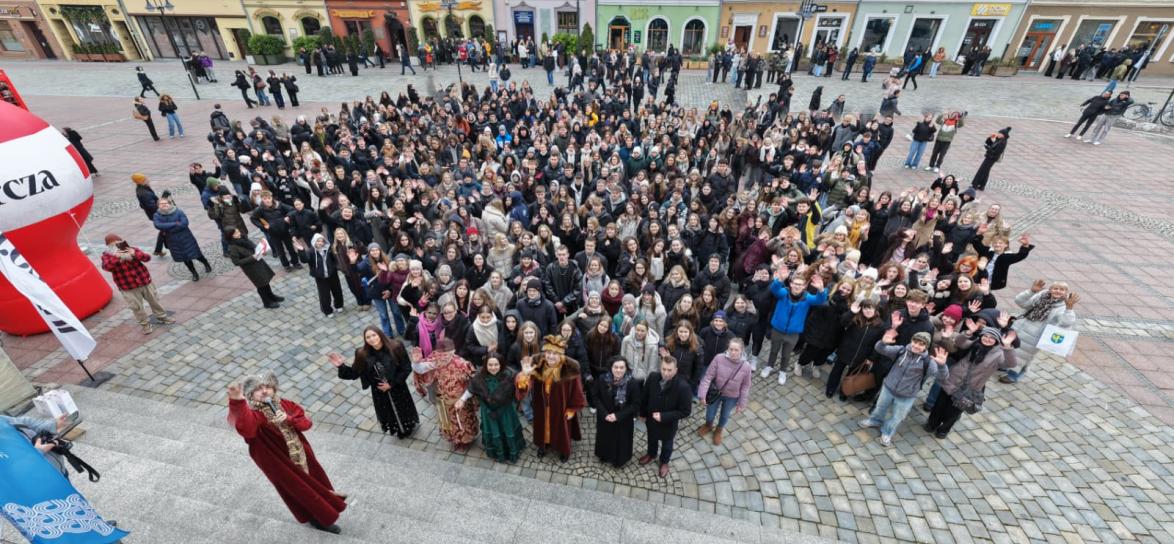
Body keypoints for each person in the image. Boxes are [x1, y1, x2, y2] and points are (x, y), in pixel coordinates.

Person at [227, 372, 347, 534]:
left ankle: (325, 507)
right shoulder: (252, 413)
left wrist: (289, 419)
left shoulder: (285, 404)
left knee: (315, 481)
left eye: (268, 387)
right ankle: (319, 518)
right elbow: (247, 429)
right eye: (258, 389)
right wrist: (238, 402)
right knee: (299, 489)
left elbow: (306, 424)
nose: (264, 391)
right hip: (276, 460)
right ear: (250, 394)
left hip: (301, 453)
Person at [858, 331, 948, 446]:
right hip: (888, 387)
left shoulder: (928, 362)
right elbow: (880, 349)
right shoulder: (901, 350)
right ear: (911, 341)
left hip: (907, 395)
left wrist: (942, 365)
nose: (917, 346)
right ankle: (875, 420)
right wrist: (882, 342)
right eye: (915, 342)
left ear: (926, 346)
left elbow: (942, 378)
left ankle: (887, 432)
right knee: (880, 407)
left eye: (921, 344)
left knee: (897, 417)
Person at [926, 326, 1017, 438]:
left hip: (969, 388)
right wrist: (968, 332)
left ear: (997, 341)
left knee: (954, 412)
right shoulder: (974, 344)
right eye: (985, 336)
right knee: (939, 405)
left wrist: (1007, 346)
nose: (987, 339)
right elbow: (960, 342)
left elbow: (1011, 364)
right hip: (952, 380)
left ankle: (943, 430)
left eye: (991, 338)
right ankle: (931, 424)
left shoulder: (999, 354)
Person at [329, 327, 419, 438]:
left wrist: (391, 384)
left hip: (398, 386)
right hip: (379, 391)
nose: (372, 339)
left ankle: (407, 427)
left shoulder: (396, 347)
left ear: (380, 334)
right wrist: (341, 366)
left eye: (374, 335)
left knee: (403, 407)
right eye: (368, 337)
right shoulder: (362, 354)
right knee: (388, 411)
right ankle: (398, 428)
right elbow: (354, 373)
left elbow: (405, 368)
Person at [515, 335, 587, 462]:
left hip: (561, 407)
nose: (551, 356)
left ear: (561, 354)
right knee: (543, 426)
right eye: (548, 352)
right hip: (541, 406)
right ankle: (544, 445)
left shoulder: (569, 370)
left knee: (561, 429)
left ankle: (563, 449)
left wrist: (572, 409)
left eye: (555, 353)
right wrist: (525, 374)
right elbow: (524, 386)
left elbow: (577, 391)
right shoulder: (537, 365)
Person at [1001, 279, 1079, 384]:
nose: (1058, 291)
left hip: (1035, 336)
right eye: (1055, 288)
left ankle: (1013, 375)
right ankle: (1004, 365)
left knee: (1024, 356)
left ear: (1066, 292)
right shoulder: (1041, 295)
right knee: (1009, 348)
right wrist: (1031, 291)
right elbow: (1020, 302)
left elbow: (1066, 322)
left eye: (1062, 289)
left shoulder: (1063, 307)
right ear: (1050, 289)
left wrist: (1069, 308)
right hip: (1019, 328)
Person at [761, 266, 828, 385]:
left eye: (800, 284)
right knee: (774, 350)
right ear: (791, 284)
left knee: (786, 355)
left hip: (793, 333)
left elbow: (820, 300)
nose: (797, 286)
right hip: (778, 329)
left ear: (804, 286)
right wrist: (780, 280)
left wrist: (821, 290)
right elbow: (774, 289)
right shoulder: (784, 293)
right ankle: (769, 366)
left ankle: (783, 371)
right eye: (795, 284)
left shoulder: (807, 298)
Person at [100, 233, 176, 334]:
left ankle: (162, 317)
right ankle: (145, 324)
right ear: (108, 246)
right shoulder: (107, 256)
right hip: (127, 287)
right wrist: (116, 257)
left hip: (144, 281)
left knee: (154, 301)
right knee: (136, 307)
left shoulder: (132, 249)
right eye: (112, 244)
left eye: (117, 242)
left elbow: (147, 258)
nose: (115, 245)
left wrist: (134, 253)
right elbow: (107, 267)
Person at [412, 338, 479, 452]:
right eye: (440, 354)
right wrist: (416, 362)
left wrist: (464, 398)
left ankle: (465, 441)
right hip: (442, 398)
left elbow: (473, 383)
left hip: (460, 401)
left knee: (462, 422)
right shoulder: (436, 360)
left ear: (453, 351)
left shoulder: (462, 364)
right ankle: (454, 439)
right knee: (447, 422)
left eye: (446, 354)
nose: (443, 357)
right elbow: (421, 369)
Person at [457, 352, 526, 462]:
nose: (493, 368)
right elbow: (471, 389)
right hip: (488, 411)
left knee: (508, 430)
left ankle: (511, 452)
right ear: (485, 365)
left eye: (496, 365)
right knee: (494, 432)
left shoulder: (510, 375)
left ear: (501, 364)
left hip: (506, 411)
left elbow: (521, 389)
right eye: (490, 365)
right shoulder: (479, 376)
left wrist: (525, 376)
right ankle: (498, 453)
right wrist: (462, 399)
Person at [639, 355, 692, 478]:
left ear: (676, 370)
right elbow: (645, 397)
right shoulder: (652, 377)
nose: (666, 373)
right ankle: (651, 454)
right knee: (651, 438)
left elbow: (685, 411)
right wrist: (642, 413)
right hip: (651, 419)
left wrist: (664, 416)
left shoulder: (683, 387)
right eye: (663, 369)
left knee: (667, 444)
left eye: (669, 370)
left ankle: (664, 462)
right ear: (660, 367)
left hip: (668, 424)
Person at [697, 338, 752, 446]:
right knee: (710, 413)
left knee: (725, 415)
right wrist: (702, 394)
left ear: (741, 350)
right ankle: (708, 425)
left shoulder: (746, 366)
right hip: (716, 392)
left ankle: (719, 430)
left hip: (732, 396)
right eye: (731, 349)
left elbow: (746, 386)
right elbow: (708, 377)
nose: (733, 352)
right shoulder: (719, 358)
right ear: (728, 348)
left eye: (736, 350)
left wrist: (742, 403)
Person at [591, 356, 641, 467]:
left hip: (623, 420)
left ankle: (619, 460)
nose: (618, 370)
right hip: (605, 417)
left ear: (626, 368)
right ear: (611, 368)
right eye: (616, 367)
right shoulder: (602, 379)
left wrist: (617, 416)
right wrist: (605, 414)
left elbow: (635, 405)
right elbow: (595, 397)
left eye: (621, 367)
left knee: (621, 441)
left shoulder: (632, 383)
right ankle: (604, 455)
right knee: (604, 437)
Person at [152, 197, 211, 281]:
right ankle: (194, 273)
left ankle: (206, 263)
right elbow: (158, 225)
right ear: (158, 206)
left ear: (170, 204)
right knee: (185, 259)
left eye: (166, 203)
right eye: (162, 204)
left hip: (186, 238)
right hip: (173, 241)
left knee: (196, 255)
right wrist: (175, 223)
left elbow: (184, 224)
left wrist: (168, 228)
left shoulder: (178, 212)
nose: (164, 205)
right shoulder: (156, 215)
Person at [224, 226, 284, 308]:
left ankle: (271, 296)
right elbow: (236, 262)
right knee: (261, 285)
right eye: (237, 233)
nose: (239, 233)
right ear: (231, 236)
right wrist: (252, 257)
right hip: (251, 268)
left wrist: (262, 248)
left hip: (258, 262)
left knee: (265, 281)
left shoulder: (243, 239)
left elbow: (253, 246)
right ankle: (267, 302)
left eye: (238, 231)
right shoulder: (232, 248)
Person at [294, 234, 345, 317]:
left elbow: (335, 259)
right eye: (318, 241)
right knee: (324, 295)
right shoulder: (311, 252)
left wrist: (335, 267)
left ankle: (339, 305)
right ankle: (327, 311)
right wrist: (301, 251)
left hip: (332, 274)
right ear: (314, 241)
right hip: (320, 277)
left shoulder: (329, 249)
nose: (320, 243)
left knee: (337, 291)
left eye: (322, 241)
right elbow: (305, 260)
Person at [132, 173, 167, 255]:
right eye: (145, 179)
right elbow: (152, 206)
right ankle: (159, 249)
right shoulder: (144, 193)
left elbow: (143, 204)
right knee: (164, 230)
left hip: (154, 214)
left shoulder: (142, 188)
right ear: (140, 182)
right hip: (156, 214)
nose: (148, 180)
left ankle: (158, 250)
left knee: (164, 230)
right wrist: (162, 206)